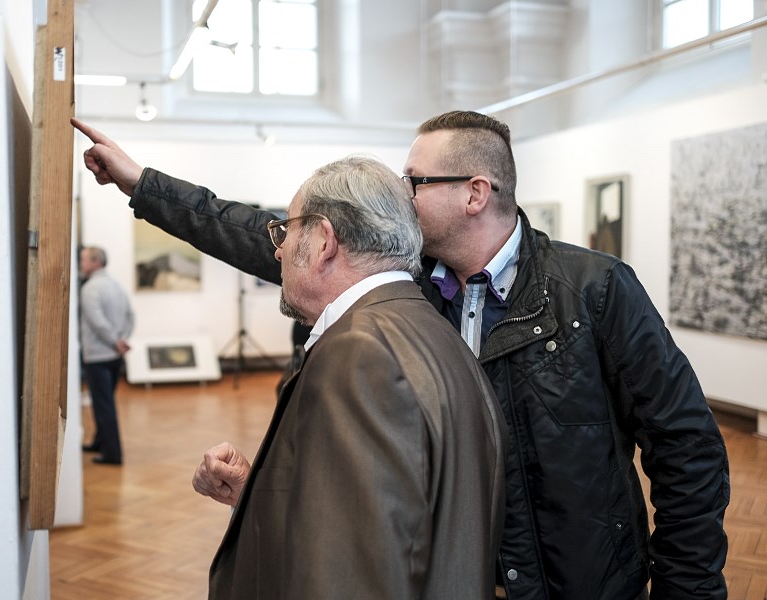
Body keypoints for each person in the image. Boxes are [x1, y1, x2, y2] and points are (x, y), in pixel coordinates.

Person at [72, 112, 730, 599]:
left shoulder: (593, 289)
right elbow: (262, 234)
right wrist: (142, 184)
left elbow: (685, 445)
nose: (400, 190)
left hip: (578, 584)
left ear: (475, 192)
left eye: (414, 180)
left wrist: (687, 590)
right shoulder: (402, 285)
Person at [197, 155, 503, 598]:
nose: (278, 250)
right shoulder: (434, 332)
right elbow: (393, 520)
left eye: (286, 231)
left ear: (324, 240)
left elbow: (349, 576)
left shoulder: (359, 352)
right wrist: (260, 490)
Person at [78, 246, 134, 466]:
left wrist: (114, 341)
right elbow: (131, 316)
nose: (81, 263)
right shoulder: (115, 285)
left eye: (84, 259)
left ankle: (112, 453)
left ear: (95, 262)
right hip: (114, 356)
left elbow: (98, 322)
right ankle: (99, 442)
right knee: (105, 401)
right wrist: (122, 340)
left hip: (98, 356)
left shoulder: (90, 288)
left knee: (103, 405)